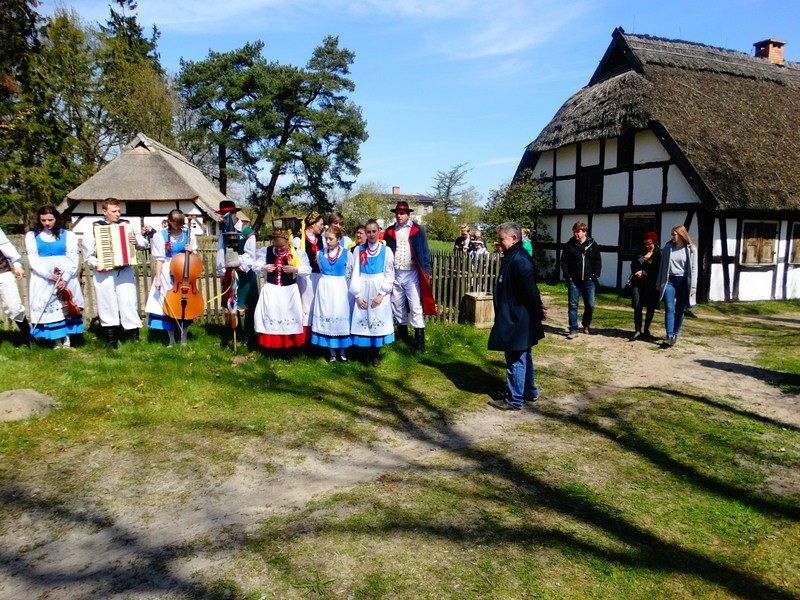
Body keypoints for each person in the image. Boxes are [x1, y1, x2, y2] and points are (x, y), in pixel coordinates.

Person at [487, 222, 547, 410]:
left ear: (513, 238)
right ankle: (529, 391)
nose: (499, 242)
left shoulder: (519, 260)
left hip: (518, 318)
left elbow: (530, 290)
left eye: (501, 239)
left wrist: (538, 310)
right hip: (515, 315)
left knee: (515, 357)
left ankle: (514, 400)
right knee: (523, 355)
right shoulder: (513, 257)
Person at [82, 198, 150, 347]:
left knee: (128, 302)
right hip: (104, 272)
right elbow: (88, 255)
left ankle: (134, 339)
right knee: (107, 303)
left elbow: (144, 243)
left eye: (119, 211)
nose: (118, 214)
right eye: (114, 211)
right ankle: (111, 340)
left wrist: (136, 241)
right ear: (104, 211)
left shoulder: (127, 225)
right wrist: (97, 264)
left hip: (124, 270)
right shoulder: (94, 228)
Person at [25, 206, 85, 348]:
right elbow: (33, 259)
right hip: (44, 277)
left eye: (50, 220)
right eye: (43, 220)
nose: (47, 223)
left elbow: (73, 259)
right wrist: (48, 275)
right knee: (51, 307)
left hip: (65, 275)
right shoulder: (32, 236)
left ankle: (68, 339)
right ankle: (56, 340)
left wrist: (65, 278)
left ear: (57, 218)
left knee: (66, 306)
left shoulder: (68, 235)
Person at [383, 200, 435, 354]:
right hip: (395, 273)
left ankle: (419, 341)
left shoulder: (417, 230)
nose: (399, 216)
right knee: (397, 304)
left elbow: (424, 252)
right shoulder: (390, 231)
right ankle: (403, 335)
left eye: (402, 213)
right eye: (397, 214)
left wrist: (426, 271)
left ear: (408, 214)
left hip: (412, 273)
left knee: (415, 305)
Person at [144, 209, 198, 346]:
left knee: (184, 303)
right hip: (167, 271)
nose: (179, 226)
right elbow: (159, 259)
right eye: (176, 223)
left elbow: (195, 255)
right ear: (169, 221)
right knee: (168, 302)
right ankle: (171, 339)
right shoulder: (160, 235)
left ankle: (184, 339)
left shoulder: (188, 234)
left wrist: (191, 251)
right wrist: (157, 279)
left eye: (181, 223)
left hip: (184, 270)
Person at [253, 228, 310, 350]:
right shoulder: (267, 251)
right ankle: (272, 346)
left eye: (282, 246)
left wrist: (295, 269)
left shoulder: (296, 253)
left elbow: (307, 269)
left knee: (288, 315)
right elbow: (255, 266)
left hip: (289, 290)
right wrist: (264, 267)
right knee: (272, 314)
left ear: (288, 243)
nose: (279, 249)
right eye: (276, 246)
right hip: (272, 289)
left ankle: (289, 346)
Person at [350, 219, 395, 366]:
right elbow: (355, 273)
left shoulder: (386, 251)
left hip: (379, 287)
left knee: (378, 317)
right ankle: (365, 354)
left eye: (374, 231)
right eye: (368, 232)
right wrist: (357, 295)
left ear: (378, 231)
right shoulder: (358, 250)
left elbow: (389, 273)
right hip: (363, 286)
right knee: (364, 317)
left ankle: (375, 354)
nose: (371, 234)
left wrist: (382, 294)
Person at [215, 200, 258, 348]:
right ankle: (237, 333)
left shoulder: (247, 232)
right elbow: (220, 252)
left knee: (248, 305)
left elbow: (250, 255)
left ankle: (248, 335)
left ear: (233, 214)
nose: (222, 218)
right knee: (232, 304)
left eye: (225, 215)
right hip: (230, 273)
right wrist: (223, 272)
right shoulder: (224, 232)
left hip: (245, 273)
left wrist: (238, 262)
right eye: (221, 215)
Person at [311, 225, 353, 362]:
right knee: (327, 314)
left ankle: (343, 350)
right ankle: (332, 352)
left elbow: (349, 272)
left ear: (338, 239)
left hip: (339, 287)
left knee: (339, 314)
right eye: (326, 239)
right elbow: (321, 268)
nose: (328, 241)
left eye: (331, 239)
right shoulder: (320, 254)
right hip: (325, 288)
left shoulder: (347, 254)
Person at [656, 225, 697, 347]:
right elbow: (662, 266)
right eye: (672, 234)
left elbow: (694, 269)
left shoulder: (691, 249)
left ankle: (674, 334)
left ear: (681, 235)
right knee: (669, 307)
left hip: (684, 282)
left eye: (674, 234)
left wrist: (693, 286)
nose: (672, 236)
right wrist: (659, 282)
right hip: (669, 281)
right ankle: (669, 336)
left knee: (680, 309)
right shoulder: (668, 247)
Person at [561, 221, 601, 339]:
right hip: (574, 280)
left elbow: (598, 261)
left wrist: (595, 275)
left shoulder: (593, 245)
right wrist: (568, 276)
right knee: (573, 305)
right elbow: (563, 262)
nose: (576, 234)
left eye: (578, 231)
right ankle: (573, 329)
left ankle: (586, 324)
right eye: (574, 231)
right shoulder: (569, 245)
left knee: (590, 305)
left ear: (584, 232)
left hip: (589, 281)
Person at [296, 210, 325, 339]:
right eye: (320, 224)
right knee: (306, 305)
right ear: (313, 224)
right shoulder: (299, 239)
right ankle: (306, 337)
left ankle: (318, 334)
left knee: (317, 304)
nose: (322, 227)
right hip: (306, 278)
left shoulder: (321, 239)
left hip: (319, 276)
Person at [629, 232, 661, 341]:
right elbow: (633, 264)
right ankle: (638, 330)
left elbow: (658, 270)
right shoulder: (640, 252)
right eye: (645, 244)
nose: (647, 246)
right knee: (637, 305)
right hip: (637, 283)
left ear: (654, 243)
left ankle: (646, 330)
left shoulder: (658, 254)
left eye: (649, 244)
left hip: (651, 284)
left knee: (650, 307)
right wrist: (636, 272)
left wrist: (646, 273)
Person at [0, 226, 30, 341]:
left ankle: (28, 337)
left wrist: (17, 264)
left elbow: (5, 245)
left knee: (14, 308)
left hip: (2, 271)